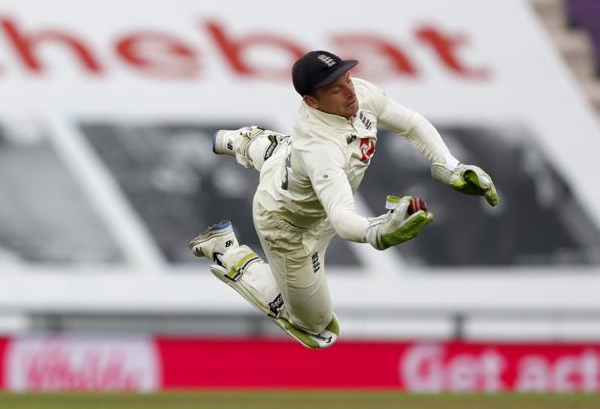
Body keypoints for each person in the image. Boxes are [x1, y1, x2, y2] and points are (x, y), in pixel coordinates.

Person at [189, 50, 498, 349]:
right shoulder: (320, 148)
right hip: (289, 227)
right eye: (334, 89)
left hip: (296, 171)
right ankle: (226, 252)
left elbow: (411, 123)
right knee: (316, 329)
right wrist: (377, 231)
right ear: (312, 101)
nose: (349, 91)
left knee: (283, 152)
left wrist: (448, 166)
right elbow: (341, 217)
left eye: (347, 78)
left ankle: (243, 141)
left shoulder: (358, 93)